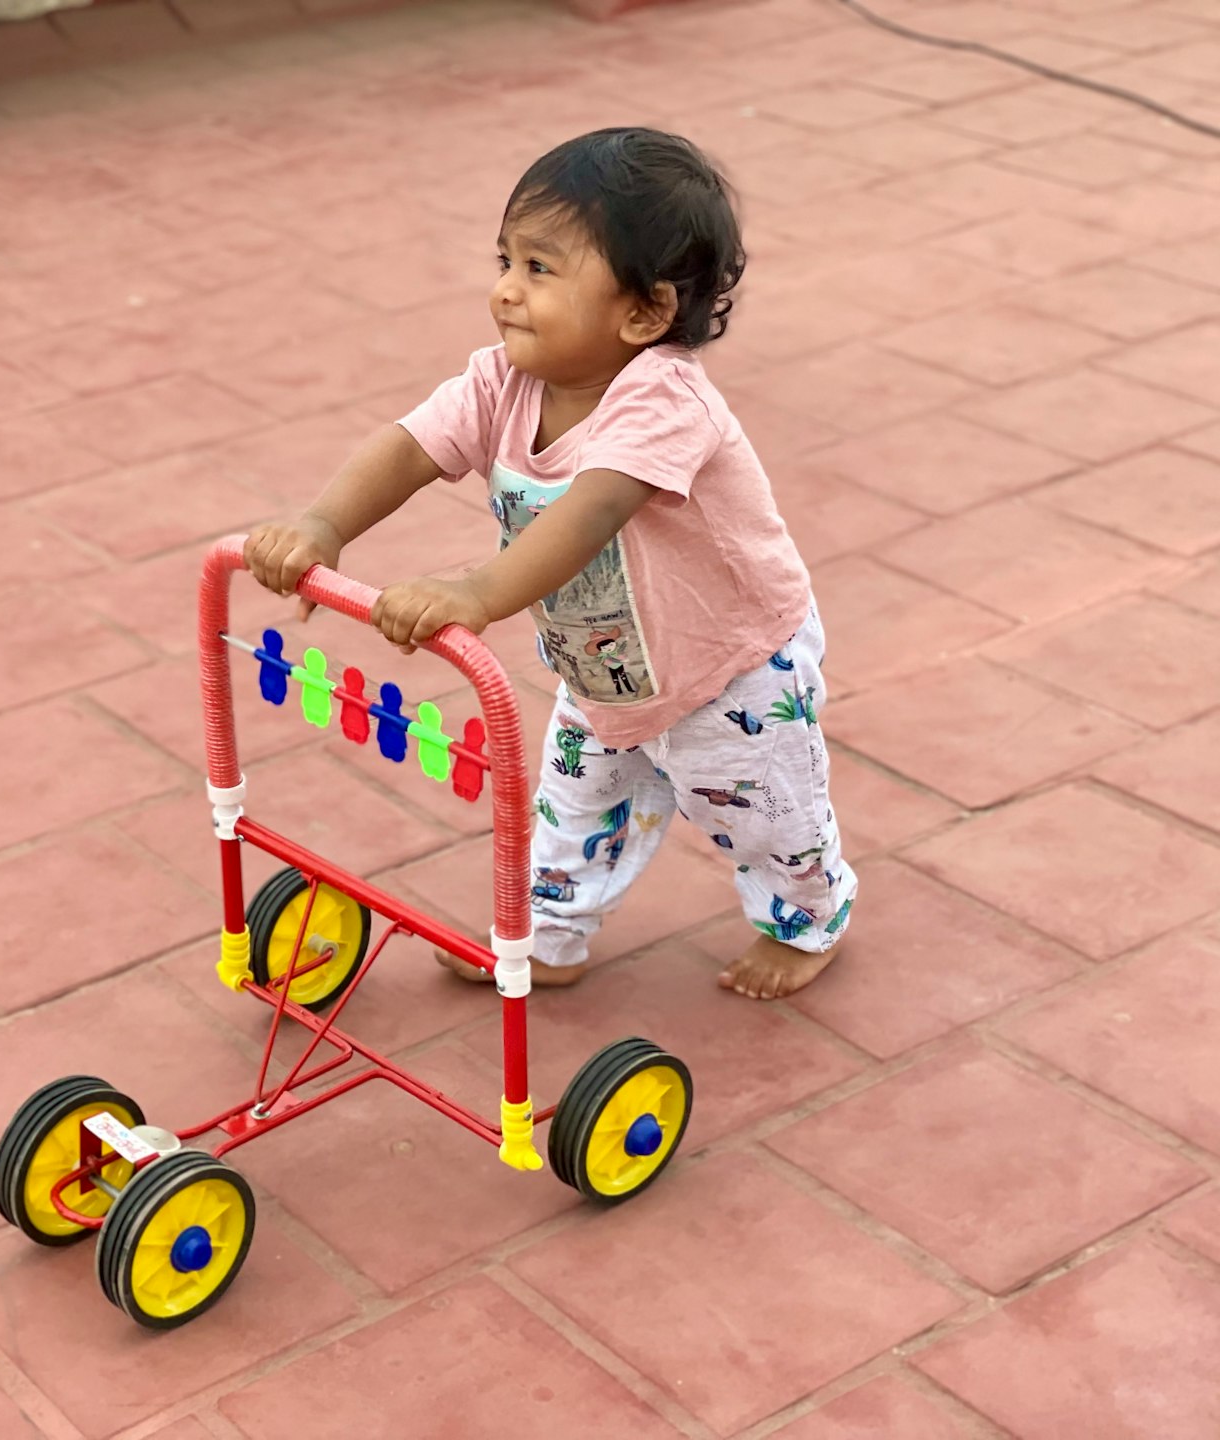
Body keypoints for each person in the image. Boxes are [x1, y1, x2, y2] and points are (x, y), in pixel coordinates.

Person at [243, 127, 853, 1001]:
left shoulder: (664, 400)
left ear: (643, 313)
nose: (505, 290)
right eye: (505, 260)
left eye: (539, 269)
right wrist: (323, 524)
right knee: (576, 806)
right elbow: (411, 446)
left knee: (762, 816)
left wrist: (476, 592)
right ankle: (552, 933)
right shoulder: (501, 381)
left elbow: (593, 510)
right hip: (606, 671)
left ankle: (808, 918)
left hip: (733, 669)